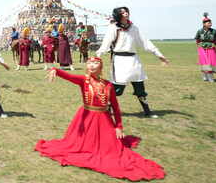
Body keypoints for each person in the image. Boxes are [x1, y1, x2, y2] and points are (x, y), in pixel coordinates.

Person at [35, 57, 165, 181]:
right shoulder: (83, 80)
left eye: (95, 63)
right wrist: (56, 70)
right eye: (89, 63)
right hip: (85, 119)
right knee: (77, 146)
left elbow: (116, 107)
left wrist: (118, 127)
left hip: (104, 120)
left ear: (101, 67)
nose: (91, 65)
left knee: (110, 151)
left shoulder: (108, 85)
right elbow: (69, 76)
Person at [96, 7, 169, 118]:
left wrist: (159, 55)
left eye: (126, 12)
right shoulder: (113, 28)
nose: (126, 14)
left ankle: (147, 112)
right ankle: (105, 110)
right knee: (117, 90)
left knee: (140, 88)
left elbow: (145, 42)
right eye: (123, 13)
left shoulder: (134, 28)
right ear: (118, 15)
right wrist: (98, 55)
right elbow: (106, 43)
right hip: (119, 61)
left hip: (134, 61)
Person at [195, 14, 216, 82]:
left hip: (211, 48)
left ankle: (210, 77)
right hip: (202, 48)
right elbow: (197, 39)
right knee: (204, 62)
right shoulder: (200, 31)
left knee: (211, 62)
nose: (210, 24)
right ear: (204, 24)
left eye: (210, 23)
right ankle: (205, 76)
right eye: (208, 23)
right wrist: (199, 47)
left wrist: (214, 44)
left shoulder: (214, 31)